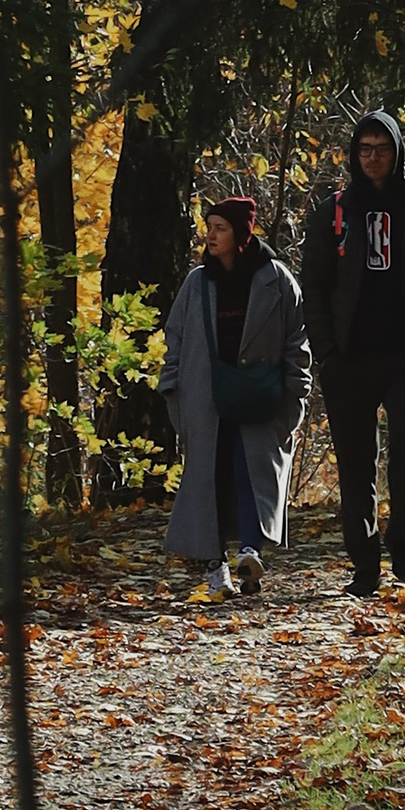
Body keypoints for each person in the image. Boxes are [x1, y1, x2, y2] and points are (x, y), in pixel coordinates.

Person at [300, 108, 405, 592]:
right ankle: (364, 565)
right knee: (355, 464)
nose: (372, 158)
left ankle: (403, 546)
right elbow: (314, 286)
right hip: (349, 359)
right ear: (354, 154)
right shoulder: (334, 213)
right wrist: (326, 351)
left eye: (382, 149)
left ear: (397, 152)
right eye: (364, 149)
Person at [158, 195, 311, 598]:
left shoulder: (276, 280)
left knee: (252, 472)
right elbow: (175, 340)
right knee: (210, 477)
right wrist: (172, 389)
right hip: (204, 399)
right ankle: (216, 569)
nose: (210, 236)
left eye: (220, 228)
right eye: (209, 227)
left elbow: (297, 341)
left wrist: (296, 394)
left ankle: (250, 553)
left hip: (261, 397)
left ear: (241, 234)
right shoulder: (197, 283)